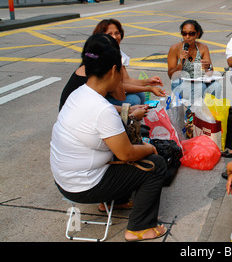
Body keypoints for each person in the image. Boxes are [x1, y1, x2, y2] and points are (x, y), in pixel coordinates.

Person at [51, 33, 168, 242]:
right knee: (156, 164)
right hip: (84, 186)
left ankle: (119, 200)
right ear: (114, 70)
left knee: (123, 149)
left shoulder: (78, 94)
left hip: (63, 180)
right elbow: (127, 154)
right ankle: (139, 228)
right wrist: (150, 149)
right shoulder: (101, 109)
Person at [59, 19, 165, 109]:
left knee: (138, 96)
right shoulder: (104, 60)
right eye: (109, 34)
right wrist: (130, 110)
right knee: (133, 100)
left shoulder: (112, 54)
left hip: (90, 105)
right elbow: (120, 95)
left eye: (117, 33)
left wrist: (147, 82)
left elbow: (125, 81)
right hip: (78, 111)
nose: (114, 37)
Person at [167, 20, 221, 103]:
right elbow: (171, 75)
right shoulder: (175, 48)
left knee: (216, 86)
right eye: (184, 33)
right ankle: (193, 112)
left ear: (197, 34)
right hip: (180, 83)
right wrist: (181, 63)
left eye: (191, 33)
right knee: (201, 87)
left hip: (198, 80)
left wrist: (208, 67)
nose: (187, 37)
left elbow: (210, 73)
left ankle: (212, 111)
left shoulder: (203, 48)